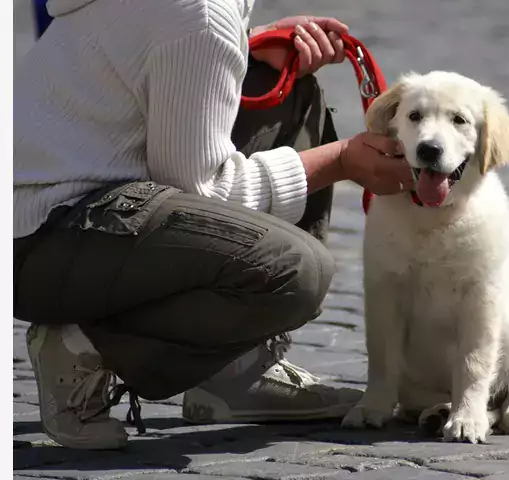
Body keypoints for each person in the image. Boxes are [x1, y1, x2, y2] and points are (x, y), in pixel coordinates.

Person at [13, 0, 414, 450]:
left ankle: (235, 373)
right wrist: (339, 160)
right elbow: (201, 193)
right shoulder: (202, 13)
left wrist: (249, 41)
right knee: (298, 271)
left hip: (52, 215)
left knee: (290, 92)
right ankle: (83, 345)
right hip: (38, 242)